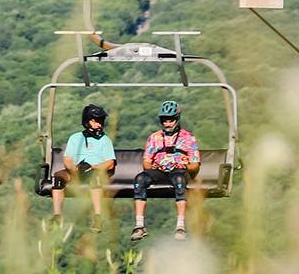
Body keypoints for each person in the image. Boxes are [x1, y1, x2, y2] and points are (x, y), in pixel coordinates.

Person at [131, 100, 200, 241]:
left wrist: (185, 165)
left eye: (170, 121)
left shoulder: (188, 138)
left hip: (178, 170)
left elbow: (195, 164)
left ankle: (180, 226)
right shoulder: (154, 138)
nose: (167, 124)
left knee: (180, 181)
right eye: (164, 121)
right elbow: (147, 161)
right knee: (140, 180)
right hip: (159, 170)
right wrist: (154, 166)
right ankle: (139, 225)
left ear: (177, 119)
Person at [54, 103, 117, 227]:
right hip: (76, 170)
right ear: (88, 121)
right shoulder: (75, 138)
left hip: (94, 170)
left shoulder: (105, 140)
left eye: (101, 121)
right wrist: (74, 169)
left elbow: (110, 163)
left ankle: (97, 217)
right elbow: (67, 160)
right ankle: (57, 216)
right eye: (96, 121)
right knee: (57, 178)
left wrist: (94, 167)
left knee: (96, 179)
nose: (100, 124)